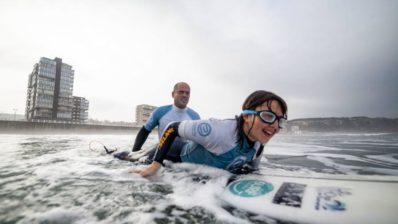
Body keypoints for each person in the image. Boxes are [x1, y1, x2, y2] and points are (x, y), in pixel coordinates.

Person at [129, 90, 288, 177]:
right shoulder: (218, 130)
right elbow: (172, 128)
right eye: (268, 116)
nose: (275, 126)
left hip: (194, 166)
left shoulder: (258, 146)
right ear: (246, 116)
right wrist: (155, 165)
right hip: (172, 153)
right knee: (129, 159)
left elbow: (251, 170)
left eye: (280, 120)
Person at [113, 82, 200, 161]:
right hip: (162, 153)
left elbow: (199, 142)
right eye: (181, 92)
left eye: (187, 93)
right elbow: (145, 131)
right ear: (173, 94)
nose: (185, 95)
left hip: (183, 156)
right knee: (123, 156)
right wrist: (135, 152)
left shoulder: (195, 117)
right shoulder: (160, 111)